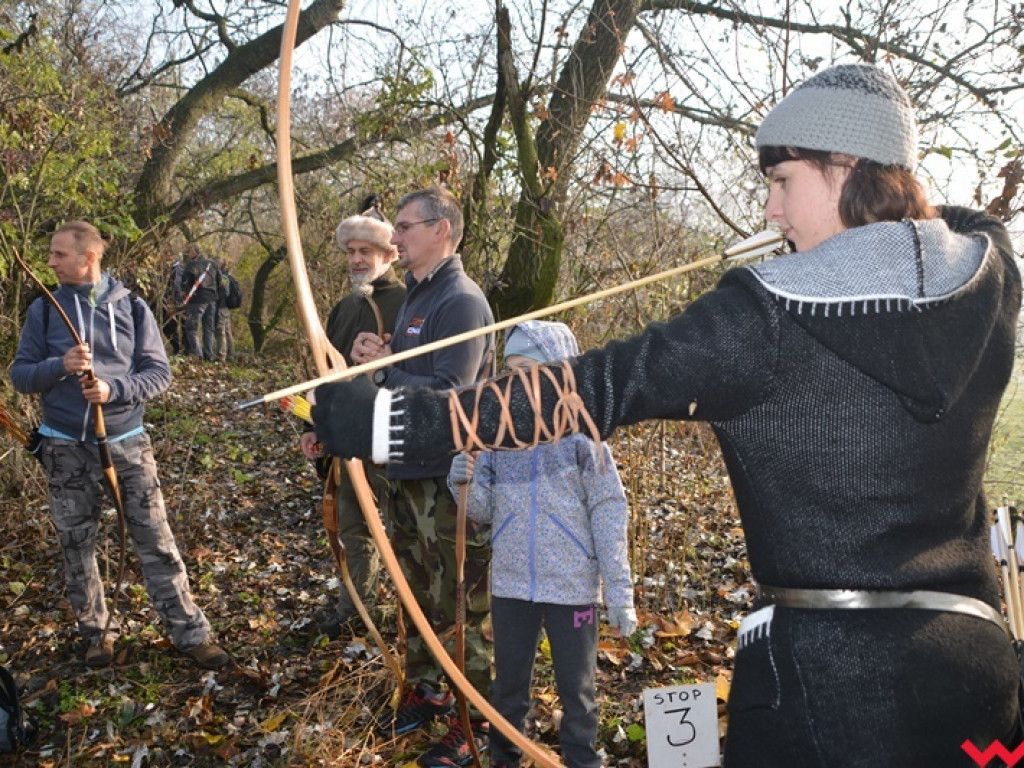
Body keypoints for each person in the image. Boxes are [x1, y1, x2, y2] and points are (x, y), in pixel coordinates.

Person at [311, 64, 1021, 766]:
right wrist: (895, 216)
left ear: (849, 165)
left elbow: (593, 387)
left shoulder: (768, 310)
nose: (770, 213)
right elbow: (967, 221)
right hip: (980, 687)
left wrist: (394, 423)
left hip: (826, 695)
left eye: (782, 183)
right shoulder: (991, 274)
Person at [11, 221, 229, 670]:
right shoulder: (45, 309)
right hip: (64, 446)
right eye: (50, 255)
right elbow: (21, 375)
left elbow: (158, 373)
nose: (50, 262)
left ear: (88, 258)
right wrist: (59, 365)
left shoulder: (131, 306)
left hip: (127, 443)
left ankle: (191, 634)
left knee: (155, 538)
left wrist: (114, 390)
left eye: (58, 255)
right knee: (77, 545)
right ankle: (97, 635)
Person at [349, 187, 495, 768]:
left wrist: (382, 373)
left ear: (442, 230)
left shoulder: (460, 300)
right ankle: (430, 688)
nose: (395, 238)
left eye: (405, 227)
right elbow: (417, 366)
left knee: (459, 598)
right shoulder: (416, 296)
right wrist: (379, 351)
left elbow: (448, 394)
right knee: (415, 589)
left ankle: (477, 717)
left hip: (447, 477)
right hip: (408, 469)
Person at [448, 320, 636, 768]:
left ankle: (580, 761)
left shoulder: (583, 436)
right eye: (511, 373)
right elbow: (484, 510)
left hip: (572, 589)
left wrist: (618, 592)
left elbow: (609, 509)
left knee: (579, 692)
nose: (519, 384)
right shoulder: (497, 434)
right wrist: (463, 482)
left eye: (530, 372)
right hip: (512, 586)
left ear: (558, 373)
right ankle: (504, 760)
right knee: (508, 689)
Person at [298, 205, 406, 638]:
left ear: (389, 255)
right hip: (348, 439)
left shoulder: (408, 302)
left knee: (401, 532)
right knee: (352, 528)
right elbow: (324, 372)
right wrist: (312, 425)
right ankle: (357, 612)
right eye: (352, 251)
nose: (357, 260)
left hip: (391, 436)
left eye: (367, 251)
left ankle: (408, 620)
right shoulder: (344, 307)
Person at [180, 243, 220, 360]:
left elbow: (185, 283)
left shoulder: (191, 265)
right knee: (208, 328)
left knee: (191, 328)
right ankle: (209, 355)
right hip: (212, 298)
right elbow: (219, 281)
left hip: (197, 299)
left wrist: (184, 296)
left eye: (190, 251)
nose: (188, 254)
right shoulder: (213, 264)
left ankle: (198, 355)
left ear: (195, 252)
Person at [214, 258, 239, 362]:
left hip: (222, 307)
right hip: (226, 308)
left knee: (221, 331)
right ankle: (231, 354)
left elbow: (226, 292)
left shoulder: (223, 277)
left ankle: (222, 356)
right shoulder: (226, 275)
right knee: (227, 331)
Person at [161, 255, 186, 355]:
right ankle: (180, 348)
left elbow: (176, 285)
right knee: (174, 325)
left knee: (172, 325)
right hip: (177, 301)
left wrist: (173, 301)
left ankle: (179, 349)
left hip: (176, 302)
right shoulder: (175, 269)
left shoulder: (176, 269)